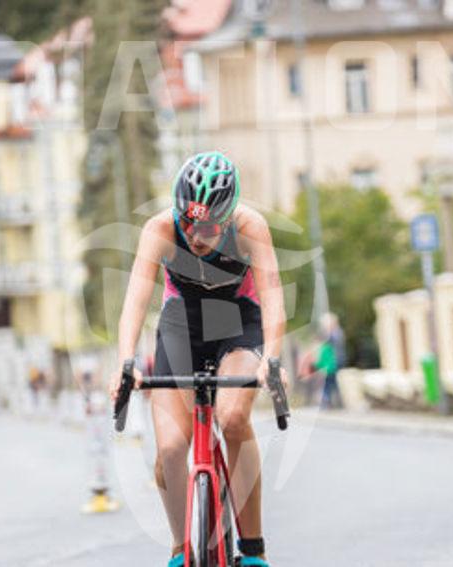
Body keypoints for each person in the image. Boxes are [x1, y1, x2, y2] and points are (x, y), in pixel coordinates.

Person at [110, 152, 287, 566]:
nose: (193, 234)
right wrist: (126, 361)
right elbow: (135, 300)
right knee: (172, 449)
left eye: (206, 227)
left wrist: (271, 359)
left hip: (236, 322)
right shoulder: (159, 229)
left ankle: (253, 549)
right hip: (181, 325)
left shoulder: (249, 227)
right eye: (187, 222)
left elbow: (273, 297)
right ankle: (179, 549)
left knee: (233, 418)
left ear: (227, 216)